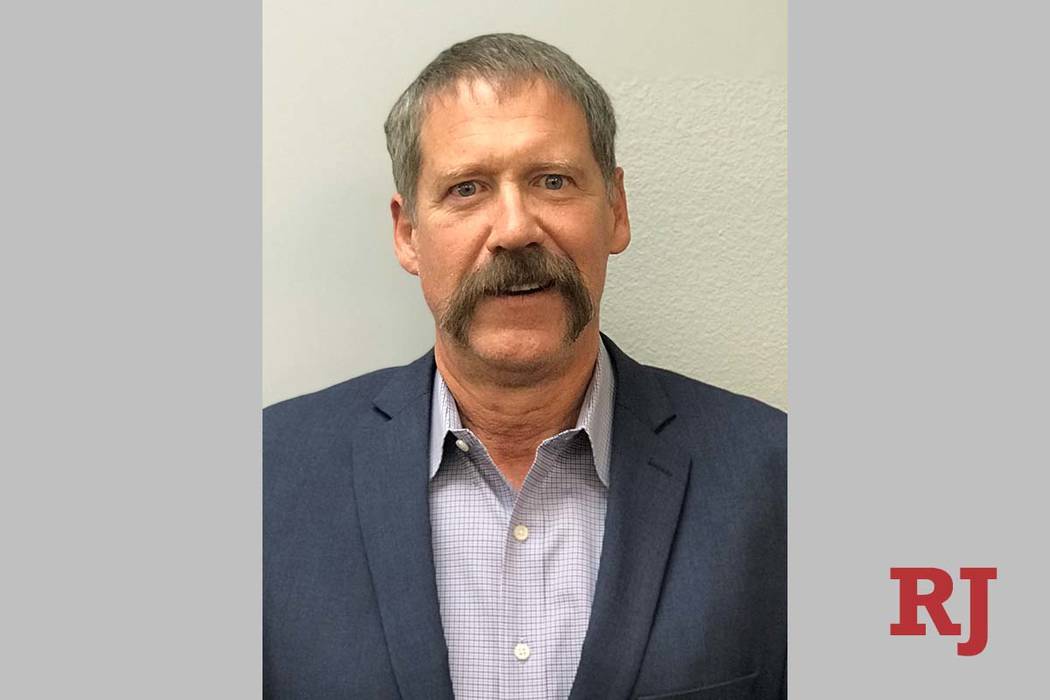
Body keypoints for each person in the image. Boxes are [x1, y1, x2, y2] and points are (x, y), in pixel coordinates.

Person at [264, 33, 785, 699]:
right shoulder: (265, 478)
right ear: (408, 233)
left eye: (552, 181)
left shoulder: (777, 477)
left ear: (616, 210)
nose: (515, 230)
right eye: (466, 189)